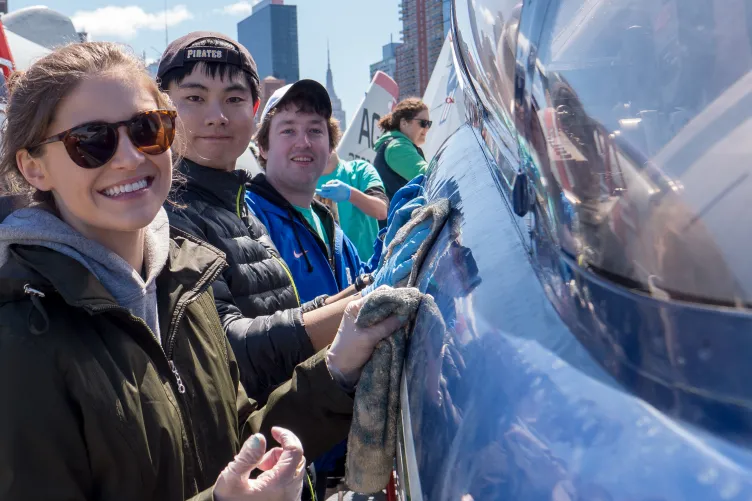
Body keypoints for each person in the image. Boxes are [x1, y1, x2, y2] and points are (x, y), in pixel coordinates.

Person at [0, 41, 405, 500]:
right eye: (91, 141)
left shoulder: (184, 280)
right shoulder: (20, 332)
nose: (130, 157)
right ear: (34, 168)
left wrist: (335, 371)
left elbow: (242, 441)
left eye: (147, 128)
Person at [157, 32, 365, 403]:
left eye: (233, 99)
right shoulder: (165, 213)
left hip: (289, 439)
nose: (217, 117)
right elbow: (226, 351)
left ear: (253, 112)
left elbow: (275, 311)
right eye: (194, 97)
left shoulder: (238, 206)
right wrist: (360, 311)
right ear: (162, 108)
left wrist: (365, 290)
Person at [247, 80, 430, 304]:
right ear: (263, 147)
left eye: (315, 130)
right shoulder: (248, 218)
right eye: (288, 130)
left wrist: (394, 250)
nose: (303, 142)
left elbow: (358, 283)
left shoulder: (330, 228)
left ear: (330, 146)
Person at [316, 151, 388, 257]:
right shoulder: (299, 181)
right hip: (323, 267)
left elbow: (381, 211)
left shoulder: (361, 169)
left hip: (365, 268)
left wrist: (351, 194)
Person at [373, 97, 431, 202]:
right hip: (402, 218)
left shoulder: (395, 146)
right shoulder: (398, 147)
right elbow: (429, 175)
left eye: (429, 124)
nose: (427, 128)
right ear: (404, 123)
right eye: (423, 123)